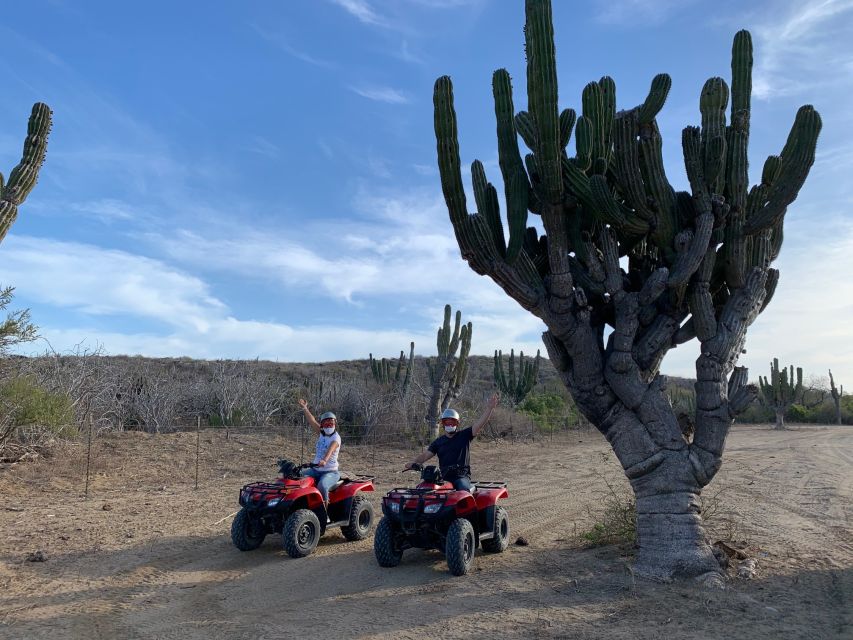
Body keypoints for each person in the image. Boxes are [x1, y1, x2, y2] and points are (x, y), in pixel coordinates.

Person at [404, 392, 500, 491]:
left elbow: (478, 425)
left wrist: (489, 409)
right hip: (443, 477)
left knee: (464, 490)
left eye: (452, 422)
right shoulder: (438, 442)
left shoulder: (464, 435)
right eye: (447, 422)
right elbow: (425, 456)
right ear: (443, 424)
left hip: (461, 477)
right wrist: (413, 463)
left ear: (457, 423)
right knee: (422, 490)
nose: (449, 425)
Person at [297, 398, 341, 509]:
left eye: (331, 423)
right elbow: (312, 421)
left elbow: (330, 450)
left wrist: (324, 460)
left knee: (322, 485)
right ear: (322, 425)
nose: (329, 426)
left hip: (330, 472)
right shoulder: (322, 434)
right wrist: (305, 408)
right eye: (326, 424)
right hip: (315, 469)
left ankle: (323, 513)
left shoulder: (336, 438)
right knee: (297, 477)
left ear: (335, 423)